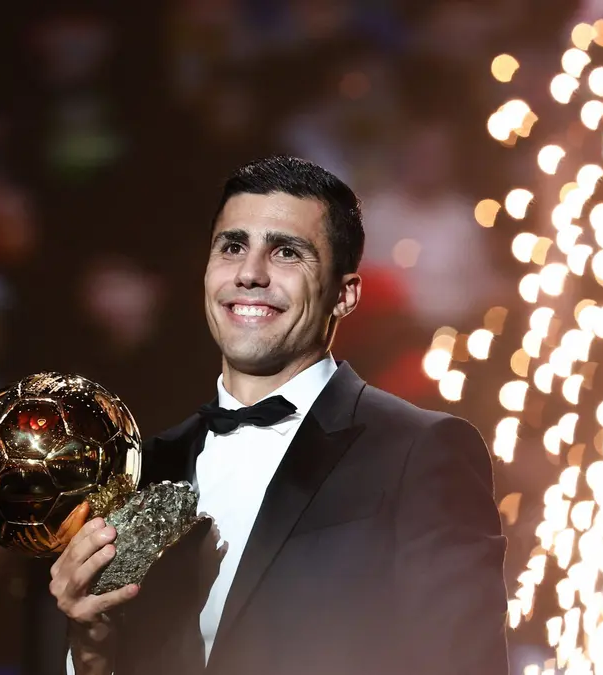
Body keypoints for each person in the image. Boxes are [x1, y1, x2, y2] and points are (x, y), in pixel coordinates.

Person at [48, 156, 509, 675]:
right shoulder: (147, 467)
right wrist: (90, 654)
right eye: (232, 246)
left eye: (287, 252)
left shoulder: (420, 452)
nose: (249, 273)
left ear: (345, 295)